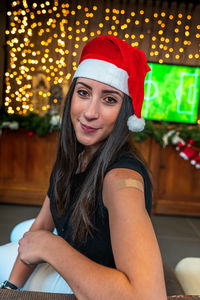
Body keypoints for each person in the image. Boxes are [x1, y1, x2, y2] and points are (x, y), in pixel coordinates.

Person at [0, 35, 167, 299]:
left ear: (126, 114)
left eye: (109, 100)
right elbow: (43, 224)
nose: (90, 112)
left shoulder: (122, 180)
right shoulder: (74, 153)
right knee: (22, 231)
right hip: (74, 247)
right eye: (84, 92)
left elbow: (149, 296)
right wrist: (9, 289)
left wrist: (51, 247)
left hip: (100, 281)